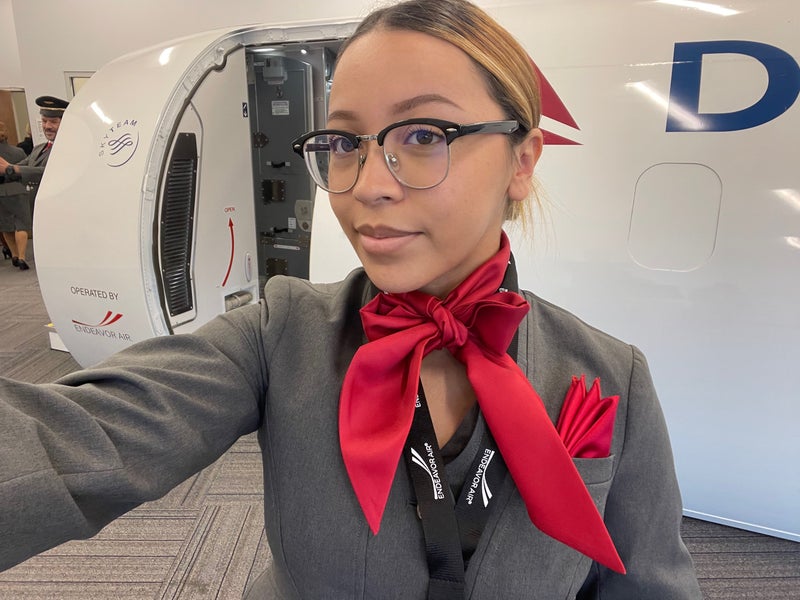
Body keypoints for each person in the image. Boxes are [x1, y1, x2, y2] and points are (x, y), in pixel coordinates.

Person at [0, 1, 702, 597]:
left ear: (521, 161)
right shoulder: (278, 334)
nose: (366, 185)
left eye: (423, 135)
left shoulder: (611, 375)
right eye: (343, 141)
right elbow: (73, 439)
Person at [0, 95, 68, 270]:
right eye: (44, 121)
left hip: (58, 217)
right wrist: (6, 171)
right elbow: (18, 168)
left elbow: (48, 172)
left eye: (53, 122)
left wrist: (12, 169)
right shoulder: (39, 149)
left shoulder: (68, 148)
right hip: (39, 218)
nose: (47, 126)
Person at [0, 121, 28, 267]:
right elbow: (25, 169)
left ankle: (14, 254)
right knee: (21, 224)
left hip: (0, 191)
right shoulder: (18, 151)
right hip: (17, 188)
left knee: (6, 225)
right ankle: (22, 256)